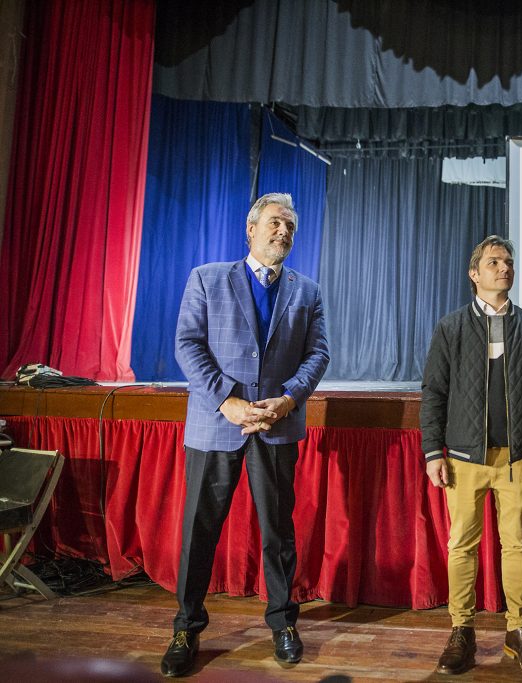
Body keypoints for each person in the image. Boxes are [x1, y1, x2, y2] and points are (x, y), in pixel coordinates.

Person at [160, 193, 330, 677]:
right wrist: (226, 400)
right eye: (276, 223)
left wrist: (291, 398)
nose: (284, 232)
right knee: (199, 531)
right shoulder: (207, 278)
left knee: (279, 533)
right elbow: (187, 344)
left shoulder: (308, 291)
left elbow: (318, 355)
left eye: (291, 227)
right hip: (216, 425)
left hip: (277, 427)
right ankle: (186, 628)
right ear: (250, 229)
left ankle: (283, 623)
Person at [420, 235, 522, 676]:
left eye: (509, 262)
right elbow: (434, 392)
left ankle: (518, 633)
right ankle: (462, 630)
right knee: (462, 545)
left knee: (516, 545)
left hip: (518, 458)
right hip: (462, 458)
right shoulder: (451, 327)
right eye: (495, 262)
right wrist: (431, 452)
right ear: (474, 273)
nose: (505, 268)